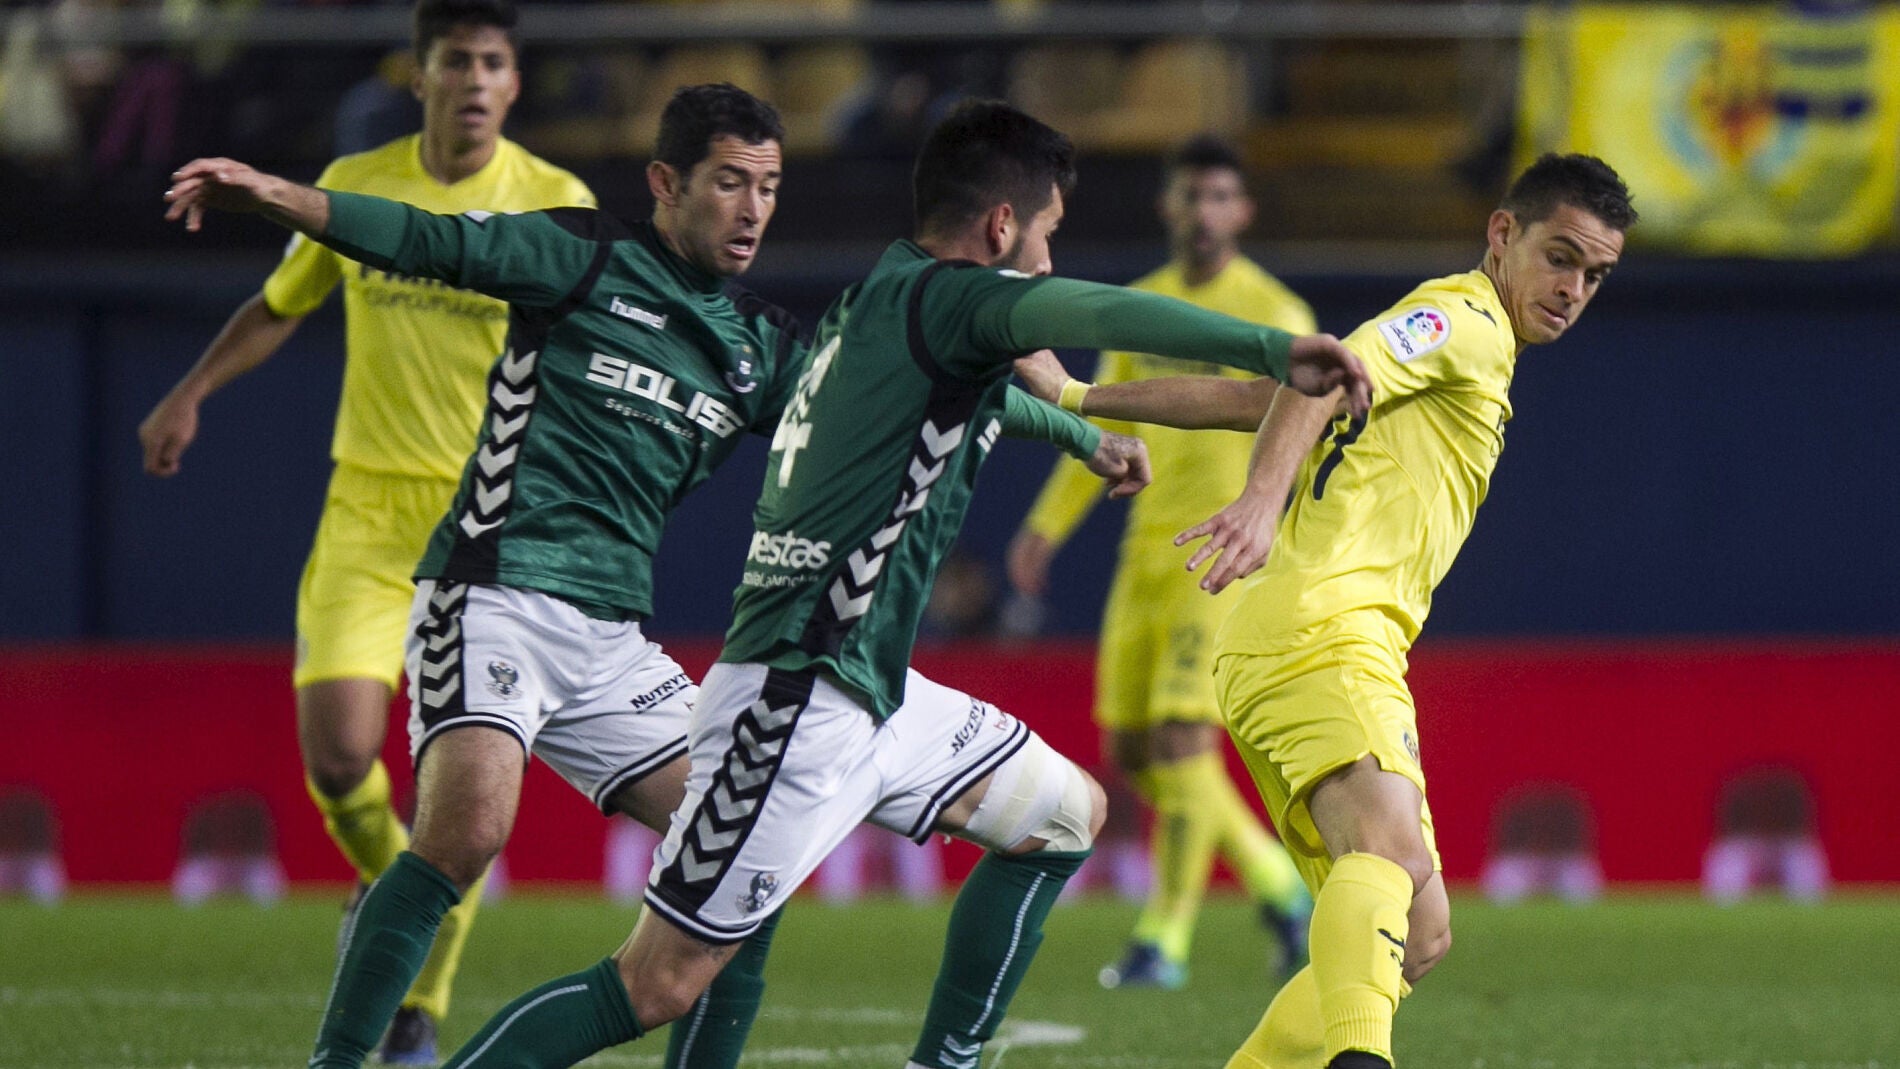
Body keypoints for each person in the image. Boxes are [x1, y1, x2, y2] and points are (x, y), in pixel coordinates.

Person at [163, 86, 1149, 1069]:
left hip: (608, 643)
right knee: (466, 832)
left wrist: (1078, 436)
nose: (754, 208)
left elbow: (909, 390)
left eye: (768, 185)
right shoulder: (581, 255)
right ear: (665, 184)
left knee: (735, 862)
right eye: (730, 182)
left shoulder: (758, 348)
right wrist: (278, 197)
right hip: (494, 590)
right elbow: (422, 239)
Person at [398, 98, 1373, 1069]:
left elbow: (1043, 385)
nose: (1042, 257)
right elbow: (1093, 309)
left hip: (872, 693)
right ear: (1001, 226)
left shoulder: (884, 301)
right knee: (655, 981)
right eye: (1044, 233)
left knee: (1065, 814)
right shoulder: (960, 299)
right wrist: (1267, 347)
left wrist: (1092, 427)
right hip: (794, 704)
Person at [1033, 153, 1635, 1069]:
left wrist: (1079, 395)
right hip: (1321, 629)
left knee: (1420, 930)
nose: (1573, 288)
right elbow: (1320, 375)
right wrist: (1261, 505)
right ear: (1503, 234)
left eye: (1595, 274)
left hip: (1321, 641)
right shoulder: (1464, 320)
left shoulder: (1477, 347)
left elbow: (1264, 394)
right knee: (1389, 861)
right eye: (1560, 257)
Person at [137, 2, 590, 1060]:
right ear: (419, 75)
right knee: (341, 759)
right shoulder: (359, 181)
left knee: (459, 786)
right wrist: (191, 389)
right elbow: (281, 301)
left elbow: (583, 349)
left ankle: (417, 992)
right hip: (366, 514)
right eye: (455, 62)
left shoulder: (553, 201)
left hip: (486, 530)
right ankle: (395, 887)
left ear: (513, 84)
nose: (474, 80)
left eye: (492, 62)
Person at [1007, 133, 1313, 991]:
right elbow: (1109, 425)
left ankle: (1163, 941)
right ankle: (1280, 888)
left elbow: (1297, 428)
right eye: (1191, 195)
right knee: (1138, 752)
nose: (1205, 211)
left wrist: (1270, 530)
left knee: (1183, 745)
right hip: (1142, 554)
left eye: (1221, 196)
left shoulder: (1274, 311)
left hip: (1218, 556)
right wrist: (1046, 524)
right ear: (1169, 207)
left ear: (1242, 211)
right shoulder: (1140, 305)